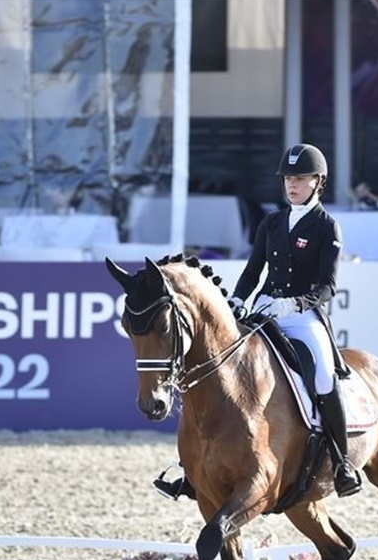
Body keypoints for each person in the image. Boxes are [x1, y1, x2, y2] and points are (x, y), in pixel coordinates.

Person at [155, 143, 363, 500]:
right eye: (288, 179)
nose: (292, 185)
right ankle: (191, 468)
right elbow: (253, 271)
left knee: (324, 377)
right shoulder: (272, 222)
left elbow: (327, 286)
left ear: (318, 181)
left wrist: (295, 303)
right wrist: (237, 300)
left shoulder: (327, 226)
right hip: (264, 309)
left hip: (303, 317)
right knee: (220, 367)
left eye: (300, 179)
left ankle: (343, 462)